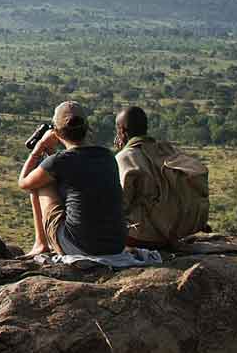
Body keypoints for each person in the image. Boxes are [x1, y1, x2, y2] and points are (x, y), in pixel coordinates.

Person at [18, 101, 127, 257]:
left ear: (56, 132)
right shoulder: (107, 156)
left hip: (80, 247)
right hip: (116, 246)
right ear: (87, 128)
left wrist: (38, 149)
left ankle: (41, 244)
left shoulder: (59, 161)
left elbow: (24, 183)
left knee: (38, 185)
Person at [114, 105, 209, 248]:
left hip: (144, 236)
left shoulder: (125, 157)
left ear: (121, 131)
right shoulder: (168, 149)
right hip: (178, 231)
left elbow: (121, 204)